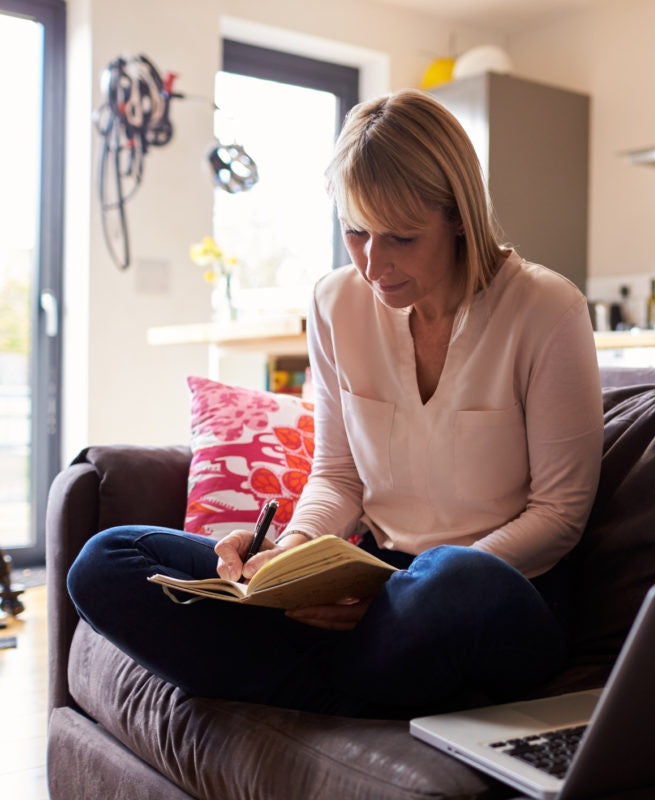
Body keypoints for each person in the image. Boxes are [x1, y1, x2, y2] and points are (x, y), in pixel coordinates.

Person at [67, 90, 604, 717]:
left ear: (459, 216)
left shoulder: (546, 308)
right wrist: (290, 554)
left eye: (401, 238)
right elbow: (338, 474)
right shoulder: (333, 303)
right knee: (104, 561)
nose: (374, 266)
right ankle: (352, 685)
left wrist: (399, 591)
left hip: (499, 590)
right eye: (355, 232)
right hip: (373, 582)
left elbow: (561, 513)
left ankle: (299, 679)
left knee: (456, 581)